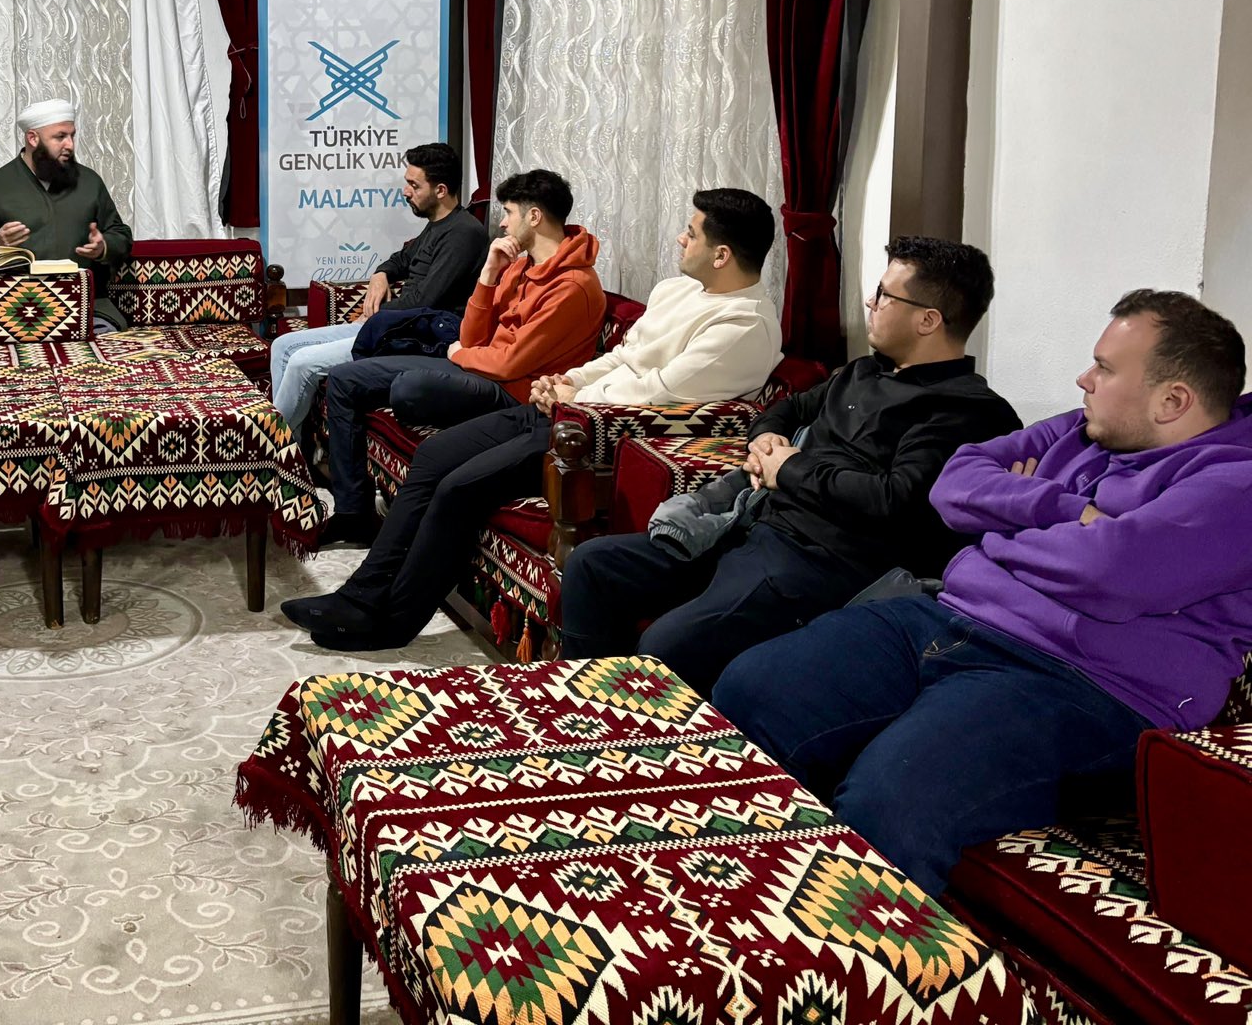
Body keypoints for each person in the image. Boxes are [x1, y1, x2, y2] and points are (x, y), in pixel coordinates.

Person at [715, 291, 1252, 896]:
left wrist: (1002, 528)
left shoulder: (1237, 483)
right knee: (750, 688)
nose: (1083, 379)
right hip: (950, 618)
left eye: (1104, 368)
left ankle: (846, 948)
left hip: (1084, 684)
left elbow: (1110, 572)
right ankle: (737, 899)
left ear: (1172, 401)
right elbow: (953, 484)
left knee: (889, 800)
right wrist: (1068, 513)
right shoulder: (1083, 428)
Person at [284, 189, 784, 651]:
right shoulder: (677, 290)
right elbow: (622, 358)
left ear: (722, 255)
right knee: (435, 453)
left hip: (600, 438)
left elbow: (660, 392)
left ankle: (392, 621)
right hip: (568, 410)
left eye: (691, 233)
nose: (680, 238)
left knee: (459, 487)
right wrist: (567, 380)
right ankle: (361, 593)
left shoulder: (745, 325)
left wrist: (573, 396)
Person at [556, 236, 1021, 693]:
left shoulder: (963, 411)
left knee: (663, 648)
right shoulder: (864, 371)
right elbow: (788, 409)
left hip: (818, 564)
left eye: (884, 295)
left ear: (928, 320)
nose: (870, 302)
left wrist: (790, 469)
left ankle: (647, 729)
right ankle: (587, 709)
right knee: (592, 565)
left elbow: (892, 498)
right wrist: (765, 440)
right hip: (751, 524)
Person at [318, 168, 606, 548]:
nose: (502, 223)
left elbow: (510, 363)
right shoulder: (519, 265)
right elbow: (472, 337)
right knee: (344, 378)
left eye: (509, 213)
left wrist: (461, 354)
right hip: (479, 370)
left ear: (534, 217)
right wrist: (488, 275)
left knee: (409, 388)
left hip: (513, 392)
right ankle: (353, 514)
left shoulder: (573, 287)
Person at [268, 142, 489, 435]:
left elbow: (424, 302)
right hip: (391, 326)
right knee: (282, 346)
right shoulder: (437, 224)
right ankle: (292, 448)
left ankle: (273, 446)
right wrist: (381, 274)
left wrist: (374, 317)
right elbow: (401, 259)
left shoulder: (464, 233)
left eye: (414, 185)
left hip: (416, 337)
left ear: (440, 190)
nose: (406, 191)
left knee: (301, 363)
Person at [0, 99, 135, 333]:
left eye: (72, 135)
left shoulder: (90, 182)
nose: (70, 145)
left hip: (84, 306)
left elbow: (121, 235)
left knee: (105, 339)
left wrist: (103, 247)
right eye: (60, 137)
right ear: (33, 138)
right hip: (9, 307)